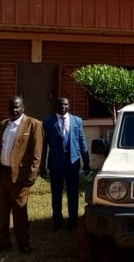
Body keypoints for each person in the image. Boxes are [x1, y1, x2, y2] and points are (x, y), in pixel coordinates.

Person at [0, 96, 43, 253]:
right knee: (1, 211)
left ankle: (24, 243)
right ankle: (3, 242)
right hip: (2, 175)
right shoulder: (2, 125)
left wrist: (32, 175)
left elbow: (37, 154)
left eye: (17, 107)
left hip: (20, 176)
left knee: (19, 211)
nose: (14, 110)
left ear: (23, 107)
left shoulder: (34, 125)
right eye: (11, 108)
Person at [43, 97, 90, 231]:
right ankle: (57, 220)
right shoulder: (48, 122)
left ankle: (73, 220)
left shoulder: (77, 121)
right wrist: (42, 164)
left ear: (69, 106)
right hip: (56, 163)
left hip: (72, 163)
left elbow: (82, 141)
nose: (63, 107)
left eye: (65, 105)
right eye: (60, 105)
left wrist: (86, 161)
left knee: (73, 192)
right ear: (56, 106)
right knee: (56, 193)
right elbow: (44, 145)